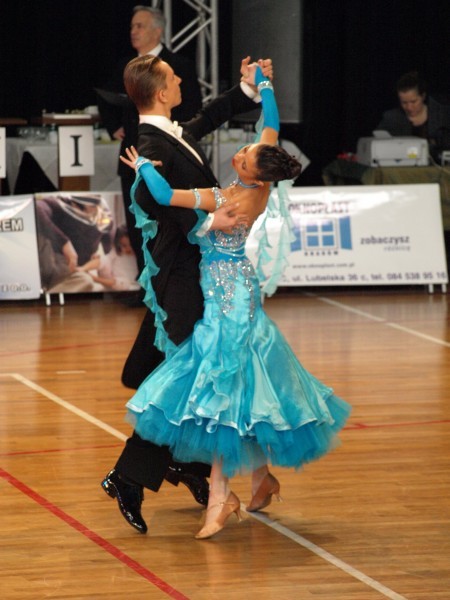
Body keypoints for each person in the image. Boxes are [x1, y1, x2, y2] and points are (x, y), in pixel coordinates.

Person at [119, 63, 351, 539]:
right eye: (173, 77)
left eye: (244, 153)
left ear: (251, 169)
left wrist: (142, 171)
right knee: (239, 380)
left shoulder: (223, 197)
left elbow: (165, 189)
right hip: (218, 286)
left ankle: (217, 494)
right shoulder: (253, 185)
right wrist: (262, 85)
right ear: (160, 93)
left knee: (220, 384)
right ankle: (252, 479)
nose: (240, 152)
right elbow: (269, 125)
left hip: (222, 296)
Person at [101, 53, 274, 534]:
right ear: (161, 92)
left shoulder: (168, 132)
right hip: (180, 280)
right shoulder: (150, 142)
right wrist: (204, 221)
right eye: (173, 78)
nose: (180, 80)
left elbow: (204, 121)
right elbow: (146, 195)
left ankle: (192, 468)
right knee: (185, 379)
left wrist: (247, 91)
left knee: (185, 375)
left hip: (195, 277)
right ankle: (130, 477)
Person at [97, 5, 203, 275]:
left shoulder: (179, 65)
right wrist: (114, 126)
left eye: (140, 26)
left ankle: (172, 279)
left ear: (158, 31)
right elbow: (105, 97)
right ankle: (145, 283)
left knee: (170, 219)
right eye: (132, 26)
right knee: (137, 221)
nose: (133, 31)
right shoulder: (126, 65)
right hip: (133, 153)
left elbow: (194, 107)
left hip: (168, 154)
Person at [35, 194, 113, 293]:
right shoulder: (56, 204)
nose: (94, 211)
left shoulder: (102, 215)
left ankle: (46, 296)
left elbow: (109, 245)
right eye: (91, 207)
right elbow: (37, 208)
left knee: (87, 281)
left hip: (71, 271)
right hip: (49, 261)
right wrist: (64, 243)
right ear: (74, 204)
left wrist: (100, 256)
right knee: (40, 232)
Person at [376, 71, 449, 161]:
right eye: (404, 103)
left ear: (423, 96)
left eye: (413, 102)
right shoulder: (391, 118)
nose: (409, 107)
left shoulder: (441, 116)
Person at [76, 225, 140, 291]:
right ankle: (82, 269)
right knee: (104, 260)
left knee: (124, 283)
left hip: (125, 285)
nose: (128, 248)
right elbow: (106, 259)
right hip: (109, 276)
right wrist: (98, 257)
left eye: (131, 245)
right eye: (124, 245)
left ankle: (93, 278)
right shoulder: (118, 252)